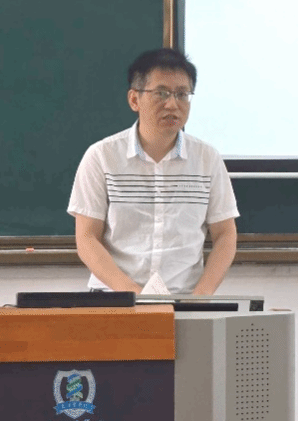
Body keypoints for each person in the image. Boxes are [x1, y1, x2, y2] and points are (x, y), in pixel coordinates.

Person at [68, 48, 238, 295]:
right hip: (116, 300)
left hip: (185, 299)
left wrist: (202, 295)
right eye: (161, 93)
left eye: (182, 94)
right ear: (134, 100)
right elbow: (87, 238)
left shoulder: (207, 159)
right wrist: (133, 294)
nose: (172, 104)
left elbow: (225, 235)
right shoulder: (102, 157)